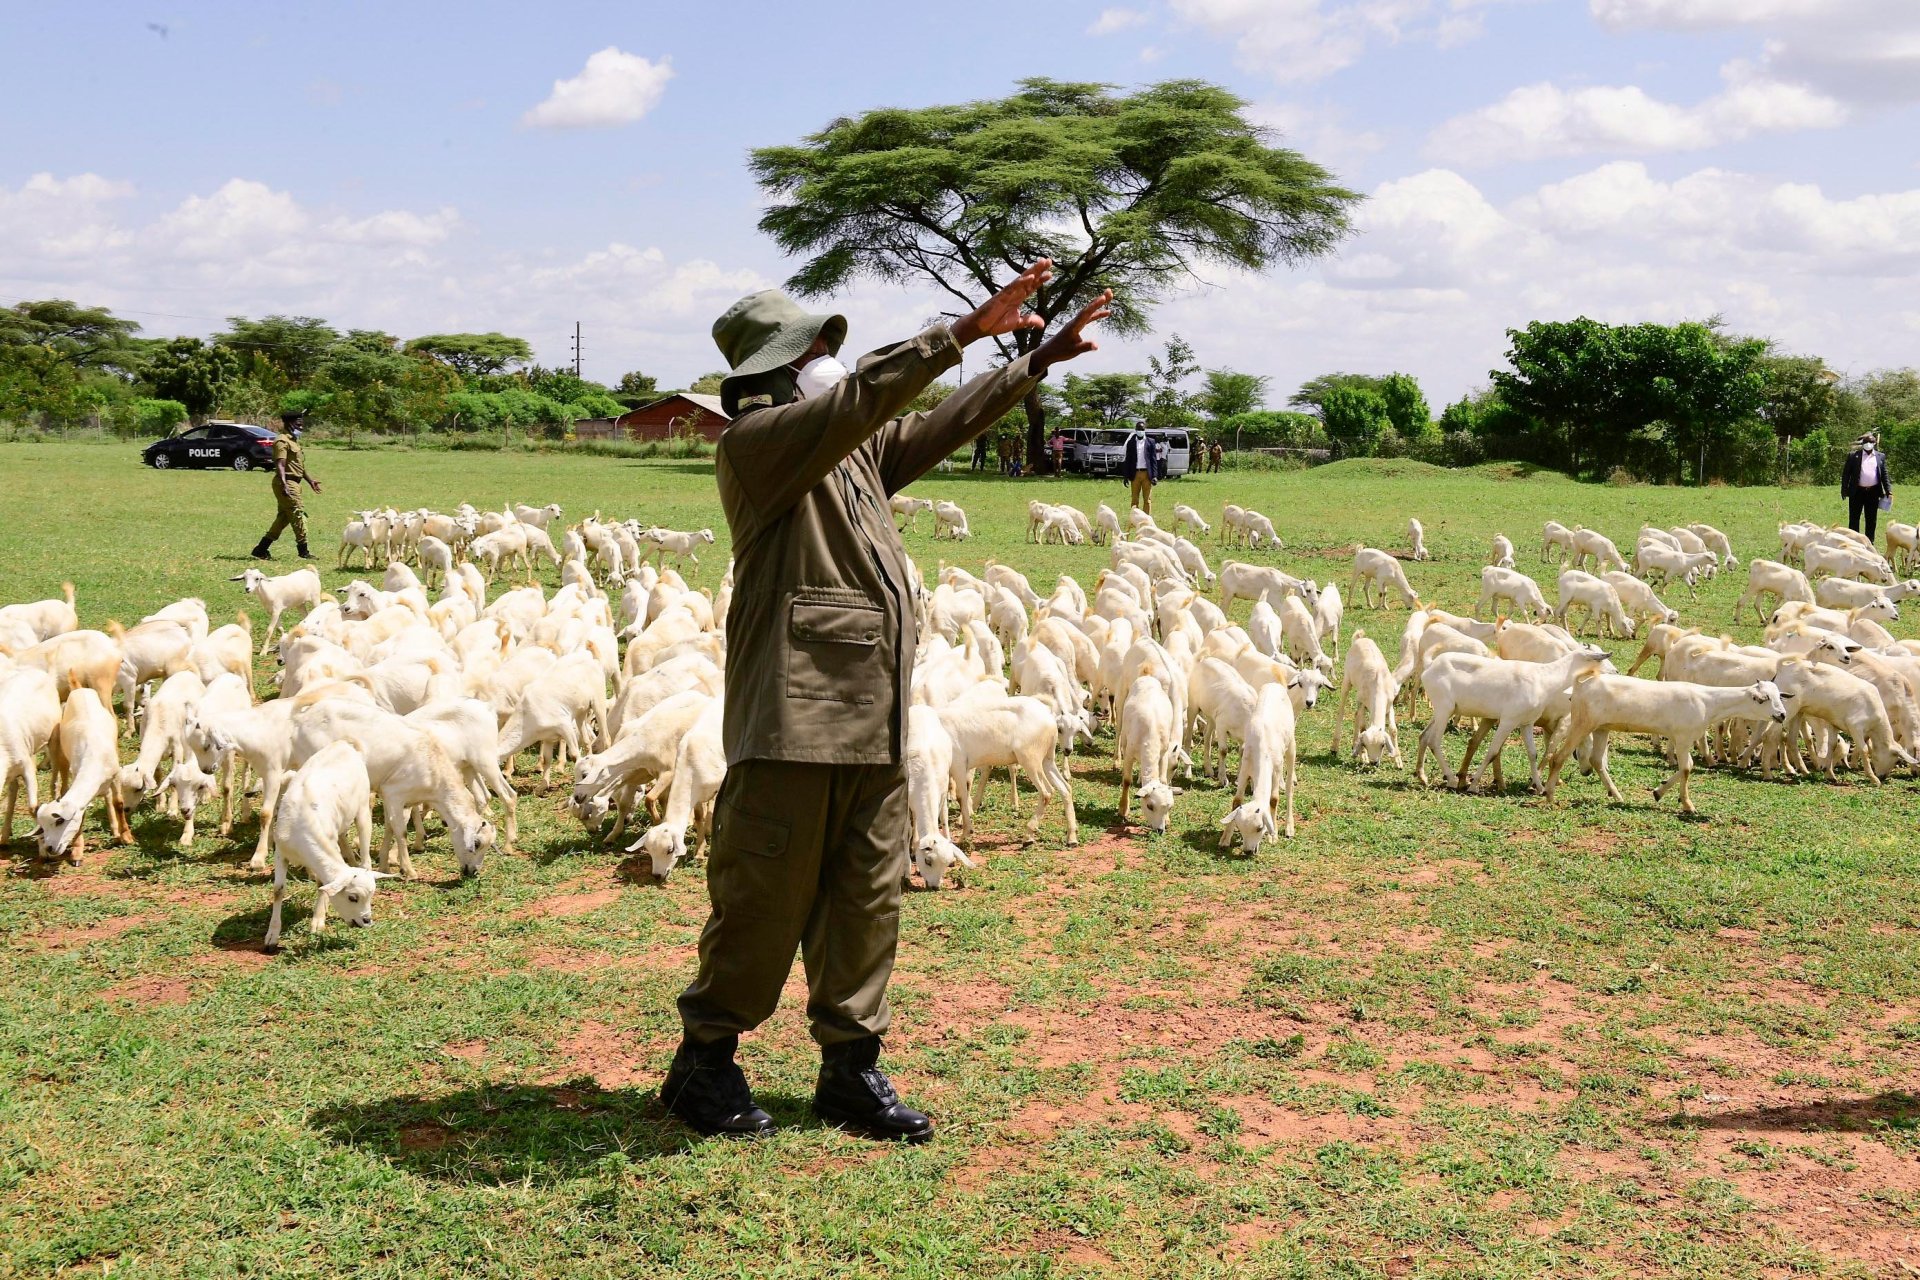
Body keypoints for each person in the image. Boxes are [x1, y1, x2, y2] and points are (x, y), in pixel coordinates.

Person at [664, 261, 1112, 1144]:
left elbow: (936, 424)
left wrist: (1031, 365)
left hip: (875, 722)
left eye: (830, 347)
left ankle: (850, 1068)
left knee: (869, 899)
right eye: (813, 351)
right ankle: (703, 1064)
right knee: (761, 900)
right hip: (793, 722)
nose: (827, 358)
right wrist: (959, 333)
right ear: (772, 378)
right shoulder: (758, 448)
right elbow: (860, 401)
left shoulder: (853, 449)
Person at [250, 410, 321, 560]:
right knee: (298, 514)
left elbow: (299, 466)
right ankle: (304, 551)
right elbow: (280, 465)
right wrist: (284, 485)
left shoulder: (293, 441)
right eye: (299, 424)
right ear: (290, 423)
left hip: (294, 482)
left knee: (283, 518)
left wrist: (311, 481)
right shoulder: (282, 441)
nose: (301, 427)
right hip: (286, 482)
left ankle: (261, 549)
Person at [1841, 432, 1892, 543]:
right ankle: (1853, 542)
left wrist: (1888, 490)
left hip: (1873, 492)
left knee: (1871, 519)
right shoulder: (1853, 456)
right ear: (1862, 444)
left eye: (1870, 442)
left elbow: (1884, 474)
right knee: (1854, 518)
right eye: (1866, 442)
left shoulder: (1880, 456)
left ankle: (1869, 542)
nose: (1868, 444)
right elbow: (1846, 474)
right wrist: (1844, 489)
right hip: (1857, 491)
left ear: (1874, 443)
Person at [1123, 426, 1154, 514]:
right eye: (1139, 429)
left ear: (1145, 430)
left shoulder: (1150, 442)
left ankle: (1147, 519)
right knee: (1134, 499)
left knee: (1147, 499)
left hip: (1147, 474)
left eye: (1142, 429)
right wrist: (1126, 476)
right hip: (1135, 473)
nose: (1140, 431)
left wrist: (1154, 476)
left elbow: (1153, 460)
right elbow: (1128, 459)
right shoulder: (1131, 443)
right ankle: (1135, 518)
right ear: (1136, 430)